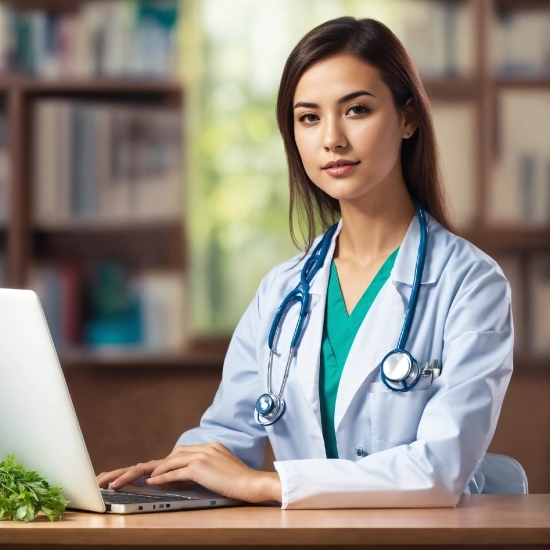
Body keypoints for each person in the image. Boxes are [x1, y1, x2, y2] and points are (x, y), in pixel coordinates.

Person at [97, 17, 513, 509]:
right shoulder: (283, 289)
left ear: (407, 119)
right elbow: (231, 433)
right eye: (309, 117)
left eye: (356, 110)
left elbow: (438, 471)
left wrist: (266, 485)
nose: (331, 139)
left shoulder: (471, 283)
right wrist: (171, 476)